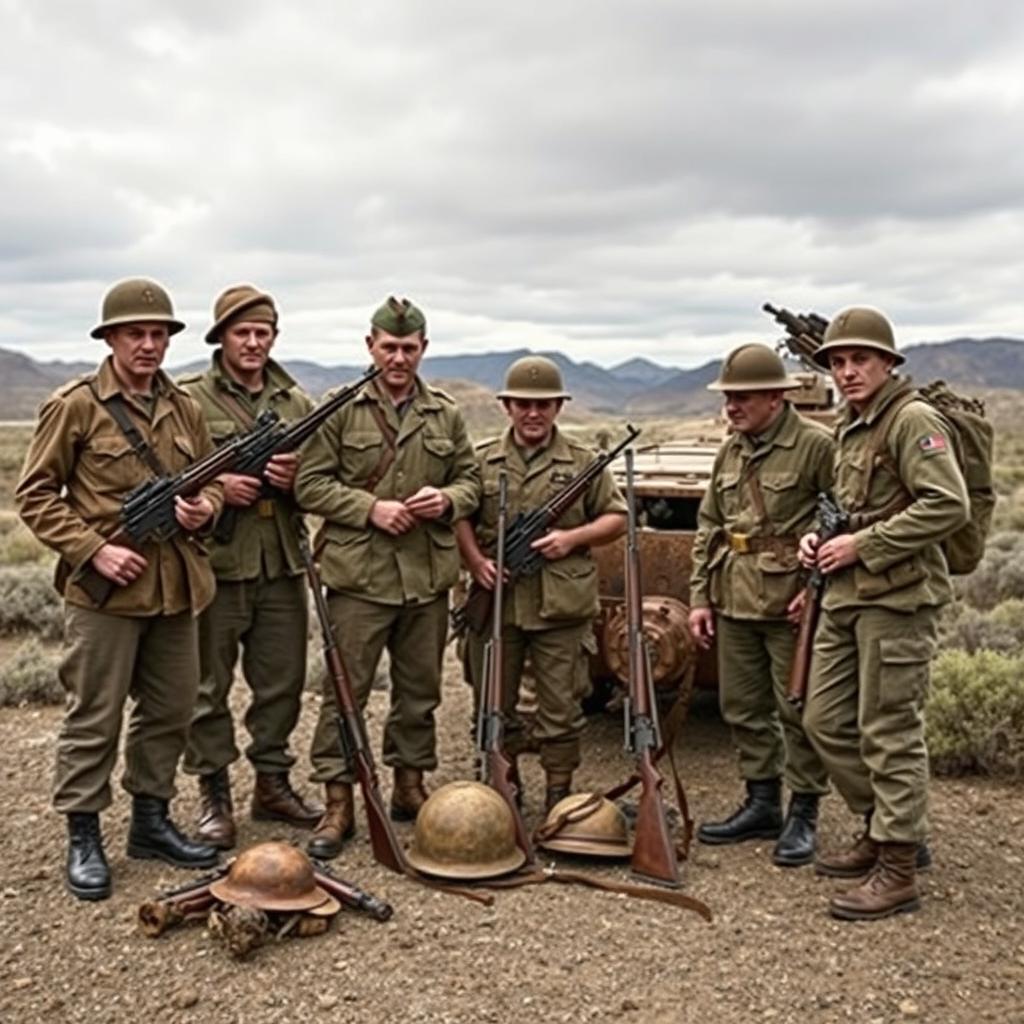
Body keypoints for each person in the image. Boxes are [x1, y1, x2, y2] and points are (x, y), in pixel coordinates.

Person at [15, 278, 222, 901]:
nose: (149, 345)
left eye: (159, 334)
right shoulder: (75, 404)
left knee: (171, 710)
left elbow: (210, 481)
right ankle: (84, 834)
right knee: (94, 716)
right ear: (110, 338)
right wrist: (94, 550)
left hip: (175, 589)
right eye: (136, 333)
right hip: (104, 595)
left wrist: (203, 509)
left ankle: (150, 822)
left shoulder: (184, 407)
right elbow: (34, 496)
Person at [798, 306, 969, 920]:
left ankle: (898, 867)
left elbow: (948, 505)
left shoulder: (911, 419)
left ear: (888, 363)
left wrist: (863, 546)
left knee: (890, 729)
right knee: (823, 719)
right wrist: (819, 541)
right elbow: (852, 509)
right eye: (838, 362)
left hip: (897, 599)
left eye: (859, 359)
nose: (846, 371)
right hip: (847, 594)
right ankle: (883, 826)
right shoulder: (853, 425)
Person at [294, 296, 480, 857]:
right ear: (370, 346)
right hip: (359, 577)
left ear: (424, 349)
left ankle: (409, 785)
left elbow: (471, 480)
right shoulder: (340, 409)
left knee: (419, 690)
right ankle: (339, 802)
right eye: (389, 347)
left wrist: (445, 499)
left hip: (426, 575)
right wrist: (370, 508)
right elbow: (309, 484)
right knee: (344, 691)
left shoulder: (444, 413)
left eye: (409, 348)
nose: (399, 357)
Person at [177, 285, 323, 849]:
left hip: (281, 559)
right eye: (243, 333)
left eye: (263, 333)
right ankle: (214, 792)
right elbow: (176, 474)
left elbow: (320, 478)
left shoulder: (295, 402)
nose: (254, 342)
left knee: (281, 682)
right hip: (218, 561)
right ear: (222, 338)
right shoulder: (192, 399)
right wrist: (219, 487)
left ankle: (272, 782)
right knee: (207, 686)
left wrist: (296, 482)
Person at [454, 356, 627, 814]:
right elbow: (460, 518)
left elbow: (616, 518)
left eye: (544, 405)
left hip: (560, 605)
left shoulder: (584, 464)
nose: (534, 413)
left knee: (561, 707)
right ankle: (503, 788)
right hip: (498, 603)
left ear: (558, 408)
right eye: (524, 405)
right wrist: (476, 563)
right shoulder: (481, 460)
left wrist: (571, 538)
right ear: (507, 406)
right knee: (493, 701)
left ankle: (559, 794)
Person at [689, 344, 833, 866]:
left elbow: (838, 519)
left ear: (775, 397)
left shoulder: (816, 447)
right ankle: (762, 802)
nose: (731, 407)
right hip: (735, 597)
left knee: (798, 710)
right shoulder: (731, 451)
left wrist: (814, 587)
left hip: (790, 601)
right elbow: (711, 526)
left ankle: (804, 811)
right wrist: (701, 596)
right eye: (727, 398)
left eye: (742, 397)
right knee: (744, 708)